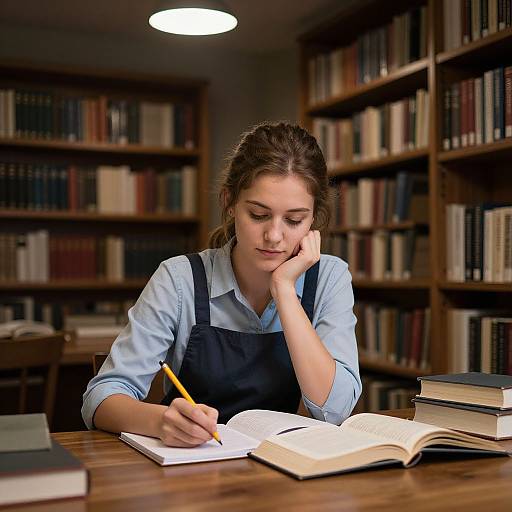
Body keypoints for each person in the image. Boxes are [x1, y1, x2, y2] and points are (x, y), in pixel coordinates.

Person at [82, 121, 361, 447]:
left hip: (280, 468)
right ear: (230, 202)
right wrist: (162, 422)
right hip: (191, 467)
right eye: (258, 215)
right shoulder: (179, 279)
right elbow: (100, 398)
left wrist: (284, 290)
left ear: (313, 219)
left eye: (294, 220)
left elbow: (336, 410)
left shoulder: (329, 278)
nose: (274, 236)